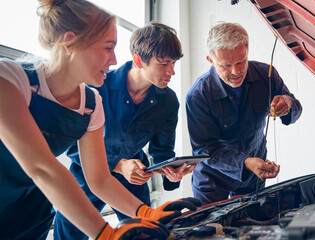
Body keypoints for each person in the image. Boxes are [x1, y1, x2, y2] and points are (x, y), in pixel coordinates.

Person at [0, 1, 199, 239]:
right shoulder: (10, 79)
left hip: (32, 212)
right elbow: (42, 168)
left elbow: (101, 179)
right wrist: (106, 234)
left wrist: (146, 212)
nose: (114, 59)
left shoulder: (91, 103)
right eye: (107, 48)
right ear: (70, 42)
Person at [54, 22, 197, 239]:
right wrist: (119, 165)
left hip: (133, 178)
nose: (172, 72)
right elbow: (72, 145)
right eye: (164, 63)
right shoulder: (96, 87)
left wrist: (171, 172)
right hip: (84, 175)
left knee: (148, 233)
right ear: (139, 60)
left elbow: (162, 151)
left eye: (174, 63)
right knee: (69, 234)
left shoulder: (168, 101)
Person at [186, 22, 303, 205]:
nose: (236, 72)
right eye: (226, 65)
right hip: (213, 179)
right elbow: (205, 149)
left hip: (253, 173)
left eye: (241, 61)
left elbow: (295, 107)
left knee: (254, 226)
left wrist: (288, 105)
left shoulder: (266, 75)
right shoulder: (198, 95)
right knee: (212, 231)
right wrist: (245, 162)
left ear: (247, 52)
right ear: (211, 60)